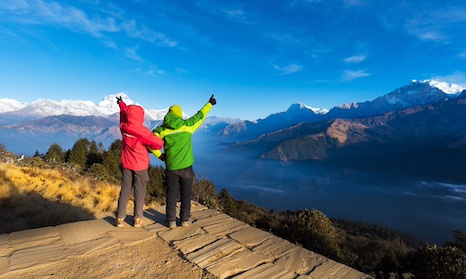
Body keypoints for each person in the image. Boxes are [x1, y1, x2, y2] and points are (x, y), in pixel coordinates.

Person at [152, 95, 217, 228]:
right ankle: (184, 220)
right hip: (187, 166)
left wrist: (160, 156)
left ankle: (170, 221)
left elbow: (150, 143)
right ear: (180, 114)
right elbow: (200, 116)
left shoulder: (162, 130)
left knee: (171, 193)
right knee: (186, 193)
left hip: (171, 167)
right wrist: (209, 103)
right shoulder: (188, 126)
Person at [115, 96, 164, 228]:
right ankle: (137, 218)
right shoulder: (143, 133)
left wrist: (121, 104)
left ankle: (120, 217)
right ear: (141, 117)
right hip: (140, 166)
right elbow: (158, 144)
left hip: (126, 163)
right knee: (139, 191)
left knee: (125, 190)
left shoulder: (123, 127)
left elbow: (124, 114)